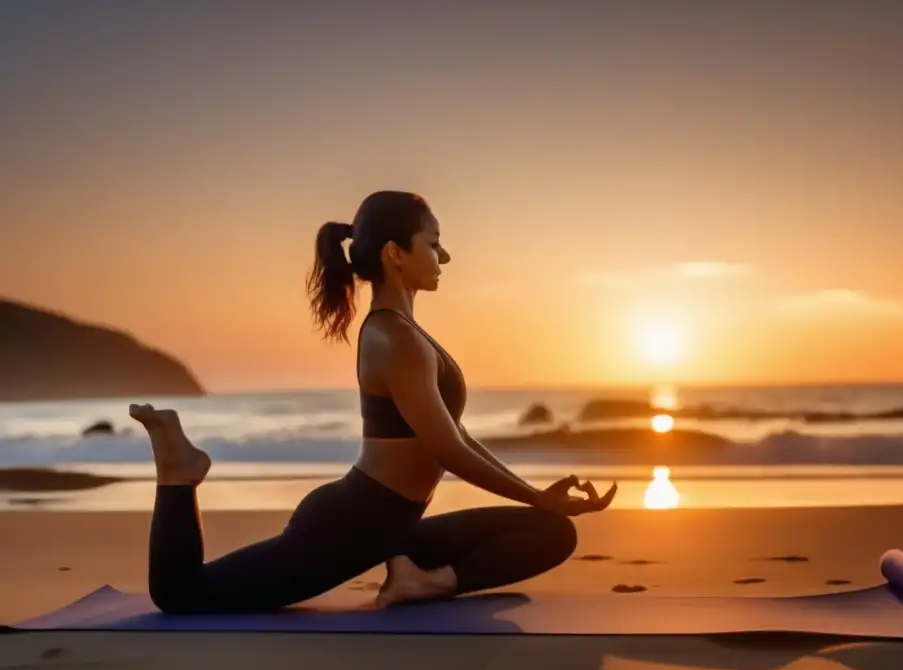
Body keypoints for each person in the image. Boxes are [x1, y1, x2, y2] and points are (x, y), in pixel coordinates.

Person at [130, 190, 617, 615]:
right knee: (183, 593)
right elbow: (448, 451)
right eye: (432, 243)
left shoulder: (406, 333)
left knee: (551, 532)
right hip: (352, 525)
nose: (444, 257)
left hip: (391, 525)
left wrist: (536, 496)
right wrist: (535, 494)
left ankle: (419, 577)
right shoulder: (392, 339)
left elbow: (455, 435)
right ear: (395, 253)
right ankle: (179, 475)